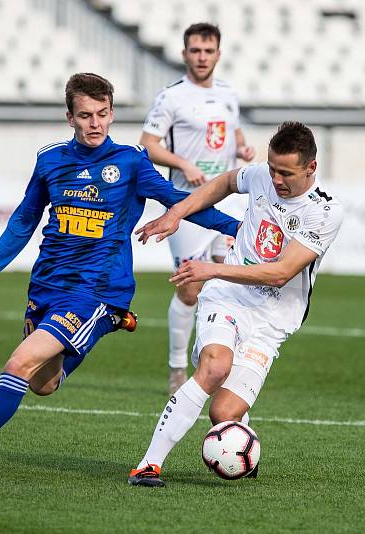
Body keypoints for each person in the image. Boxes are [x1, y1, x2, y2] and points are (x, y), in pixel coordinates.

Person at [0, 73, 240, 478]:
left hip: (96, 289)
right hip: (48, 285)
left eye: (103, 114)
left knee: (18, 363)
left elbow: (182, 201)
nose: (96, 124)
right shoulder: (50, 160)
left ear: (111, 114)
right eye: (86, 115)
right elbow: (24, 220)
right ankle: (109, 323)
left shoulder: (130, 161)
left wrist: (236, 228)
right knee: (42, 383)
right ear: (69, 116)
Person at [127, 122, 344, 487]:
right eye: (272, 168)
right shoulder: (262, 175)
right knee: (213, 368)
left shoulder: (323, 213)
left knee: (223, 412)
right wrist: (177, 212)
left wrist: (209, 267)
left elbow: (280, 273)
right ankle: (148, 465)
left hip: (272, 321)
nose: (275, 179)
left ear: (311, 168)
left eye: (286, 173)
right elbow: (226, 182)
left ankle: (240, 436)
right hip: (227, 296)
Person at [140, 22, 256, 394]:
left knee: (226, 281)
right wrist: (183, 163)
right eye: (195, 50)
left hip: (224, 200)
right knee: (190, 289)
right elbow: (148, 144)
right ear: (185, 54)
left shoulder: (227, 93)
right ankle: (177, 367)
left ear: (218, 54)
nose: (202, 57)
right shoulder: (171, 97)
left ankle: (216, 362)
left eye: (208, 51)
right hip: (185, 205)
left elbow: (231, 131)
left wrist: (242, 148)